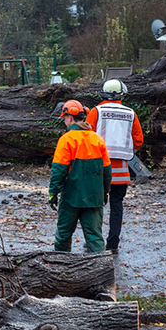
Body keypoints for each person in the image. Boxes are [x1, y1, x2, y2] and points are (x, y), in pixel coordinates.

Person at [86, 79, 144, 252]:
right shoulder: (130, 113)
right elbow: (138, 140)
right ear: (121, 94)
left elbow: (86, 136)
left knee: (94, 205)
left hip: (97, 167)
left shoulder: (97, 111)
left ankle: (94, 241)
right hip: (121, 169)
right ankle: (113, 244)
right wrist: (126, 149)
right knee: (117, 204)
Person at [48, 100, 112, 253]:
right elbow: (107, 170)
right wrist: (105, 191)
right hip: (94, 195)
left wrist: (53, 193)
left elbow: (58, 170)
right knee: (95, 237)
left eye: (64, 118)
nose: (64, 121)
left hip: (71, 196)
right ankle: (100, 269)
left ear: (69, 117)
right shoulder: (97, 139)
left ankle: (62, 267)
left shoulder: (66, 139)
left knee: (63, 235)